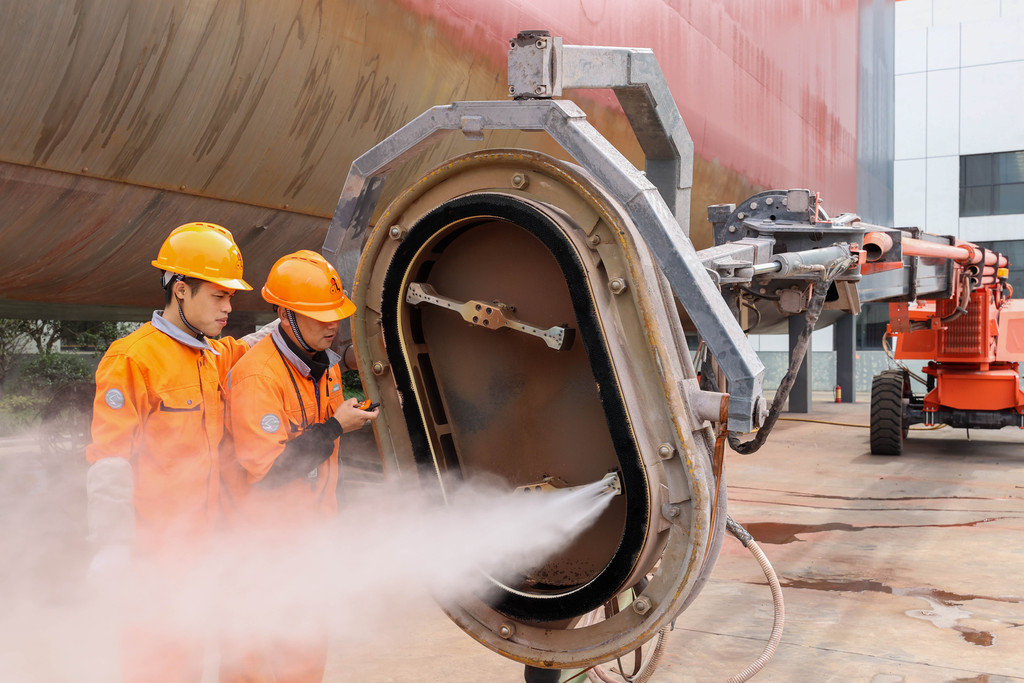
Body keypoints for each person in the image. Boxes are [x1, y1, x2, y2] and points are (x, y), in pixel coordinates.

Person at [85, 221, 268, 683]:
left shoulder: (209, 356)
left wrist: (292, 322)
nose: (229, 308)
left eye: (231, 298)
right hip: (153, 555)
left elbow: (244, 347)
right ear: (181, 291)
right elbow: (109, 460)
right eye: (219, 296)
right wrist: (111, 546)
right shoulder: (133, 358)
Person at [219, 249, 377, 683]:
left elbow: (322, 454)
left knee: (305, 654)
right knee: (254, 658)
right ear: (285, 315)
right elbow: (269, 473)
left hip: (309, 540)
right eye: (319, 314)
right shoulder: (258, 378)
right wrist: (334, 428)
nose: (333, 324)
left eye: (336, 314)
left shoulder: (322, 364)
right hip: (262, 548)